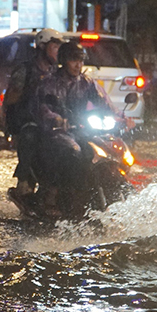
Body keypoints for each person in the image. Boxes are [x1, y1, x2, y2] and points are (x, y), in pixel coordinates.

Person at [32, 41, 125, 215]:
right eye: (74, 60)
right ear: (63, 61)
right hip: (58, 133)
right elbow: (43, 108)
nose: (78, 65)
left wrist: (122, 118)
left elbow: (105, 103)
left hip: (82, 131)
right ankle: (55, 194)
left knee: (107, 150)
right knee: (72, 151)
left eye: (81, 61)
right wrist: (58, 120)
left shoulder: (87, 82)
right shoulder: (49, 83)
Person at [4, 27, 65, 202]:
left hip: (53, 123)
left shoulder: (58, 73)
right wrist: (10, 129)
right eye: (55, 47)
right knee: (30, 137)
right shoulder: (26, 70)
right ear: (42, 47)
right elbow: (10, 101)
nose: (58, 52)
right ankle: (24, 182)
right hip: (29, 123)